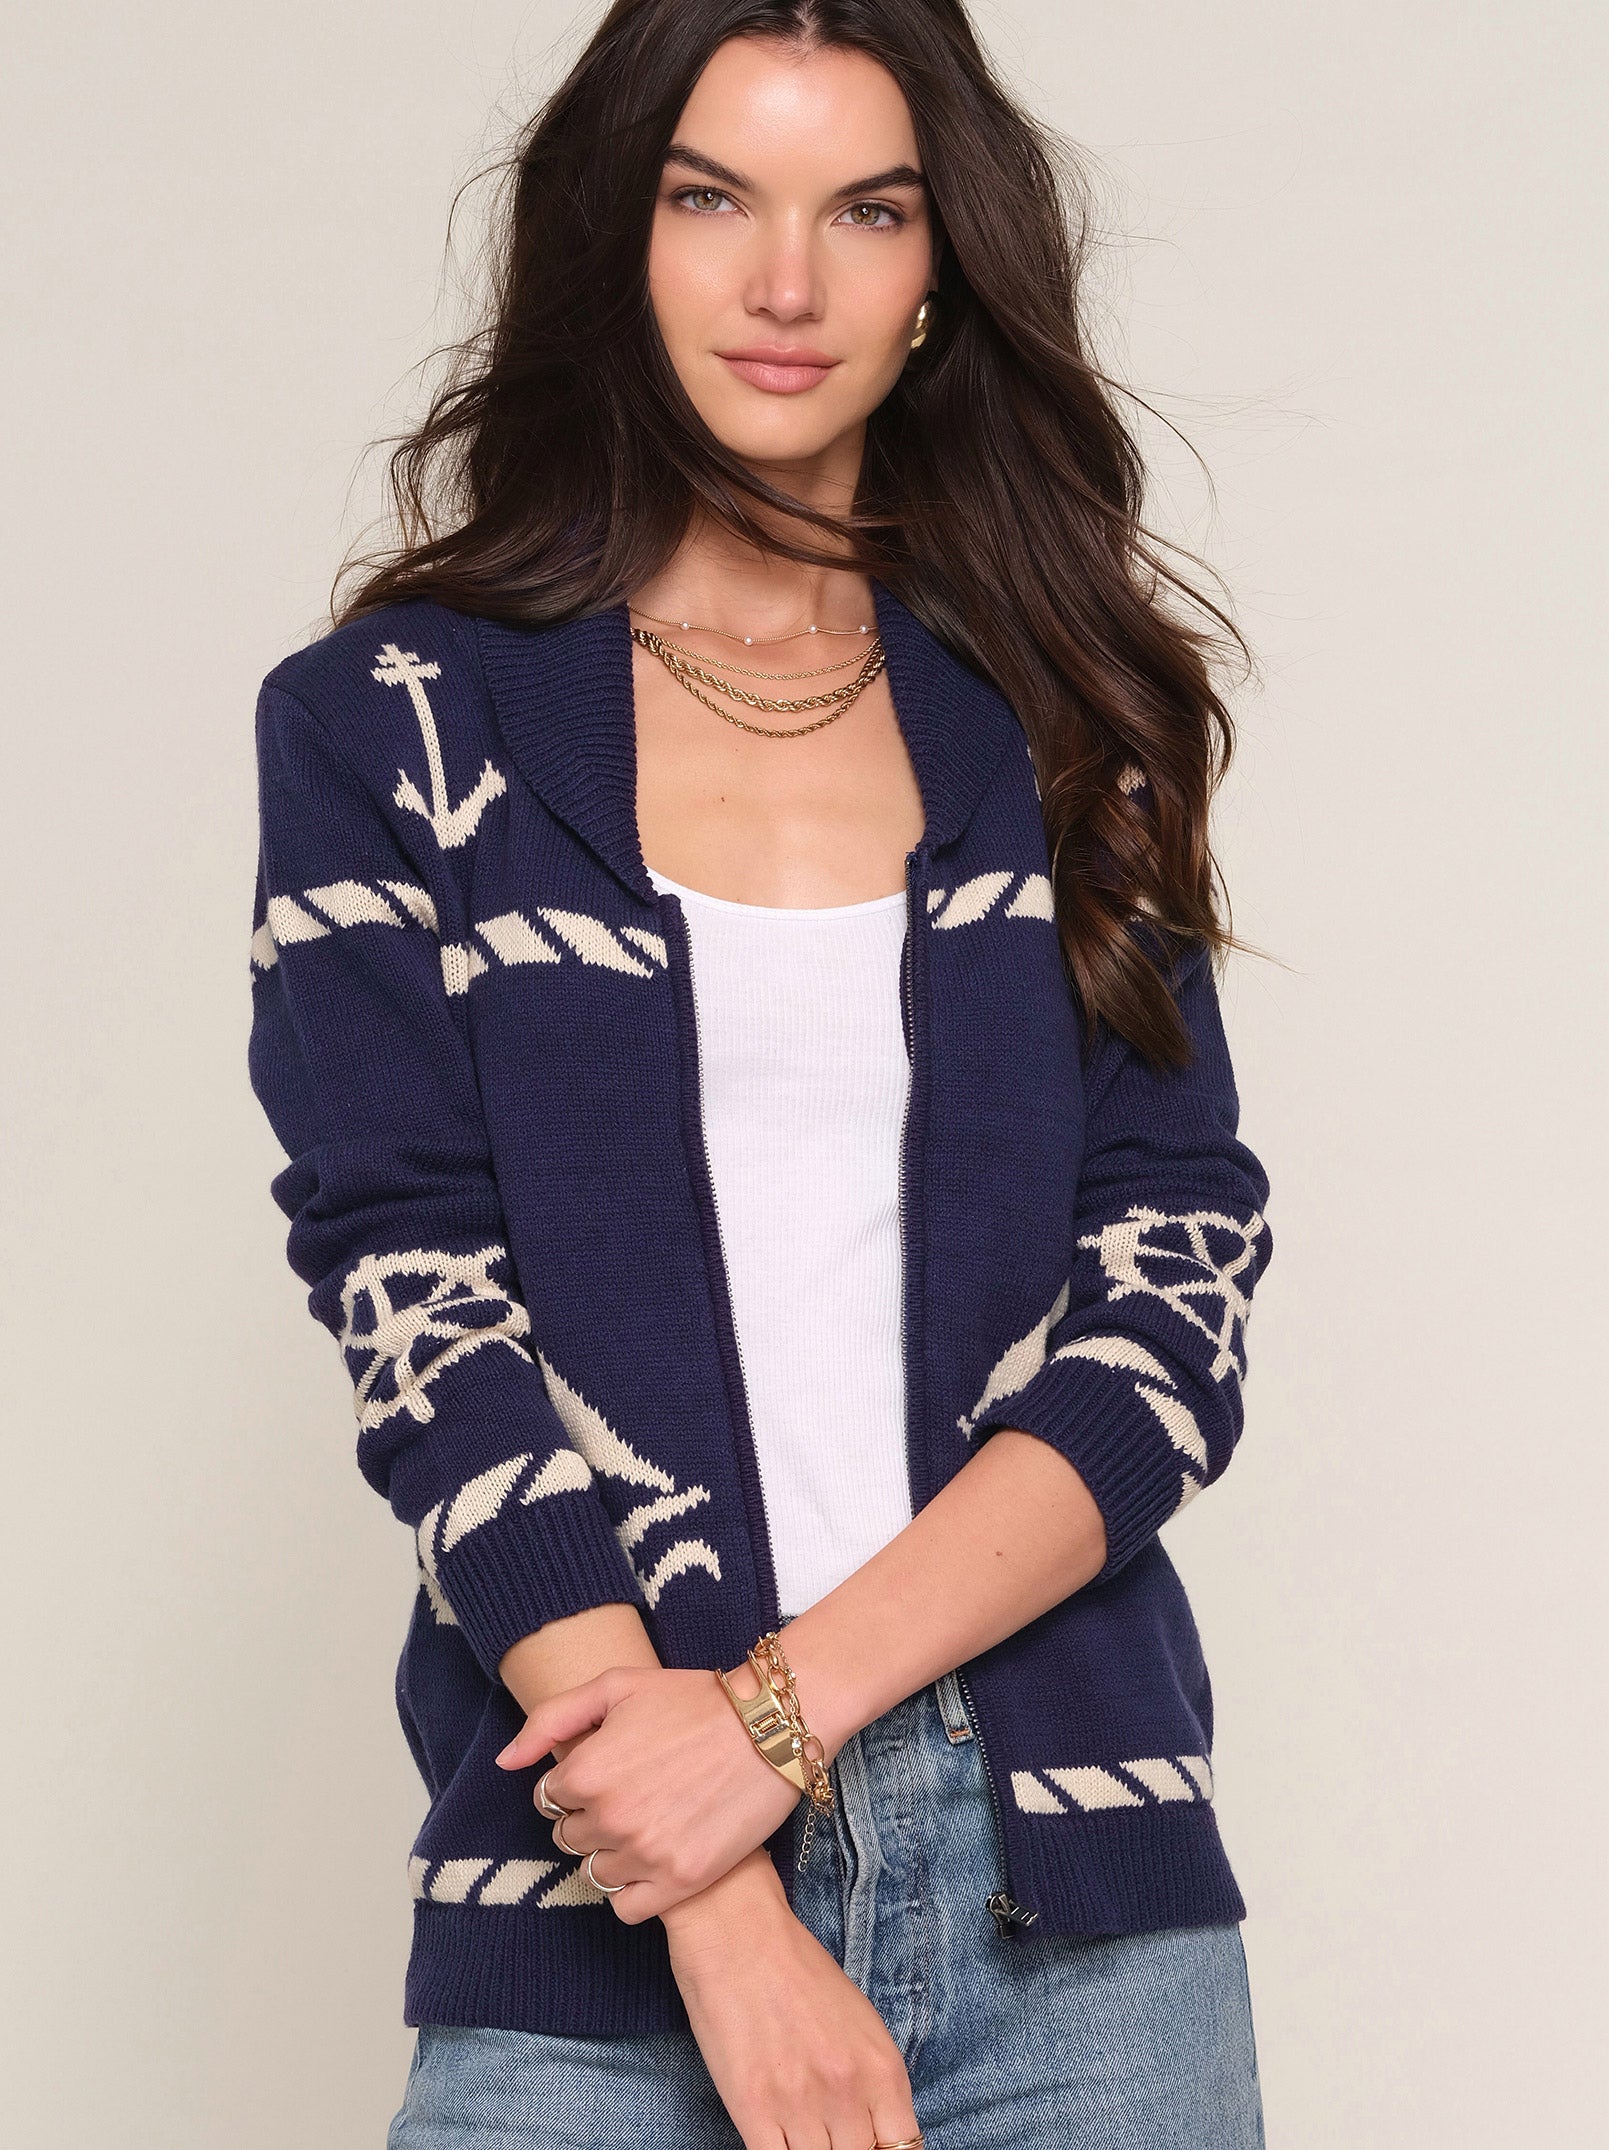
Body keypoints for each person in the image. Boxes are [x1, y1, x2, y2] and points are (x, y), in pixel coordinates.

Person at [246, 3, 1275, 2144]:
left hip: (1067, 1882)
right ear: (613, 238)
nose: (784, 281)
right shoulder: (391, 725)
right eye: (712, 196)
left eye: (865, 212)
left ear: (939, 275)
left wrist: (775, 1721)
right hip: (599, 1864)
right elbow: (420, 1313)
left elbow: (1169, 1305)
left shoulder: (1070, 715)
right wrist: (713, 1886)